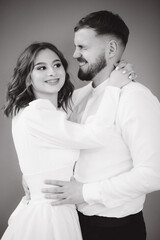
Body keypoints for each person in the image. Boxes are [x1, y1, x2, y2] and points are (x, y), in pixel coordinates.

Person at [41, 10, 160, 240]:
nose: (75, 54)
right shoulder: (78, 97)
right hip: (74, 222)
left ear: (112, 49)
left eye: (83, 47)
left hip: (116, 230)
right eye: (76, 47)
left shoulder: (135, 98)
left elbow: (154, 173)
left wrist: (85, 192)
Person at [2, 41, 132, 240]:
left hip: (53, 209)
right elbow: (95, 135)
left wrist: (105, 78)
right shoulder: (38, 114)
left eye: (56, 65)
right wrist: (113, 87)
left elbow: (76, 98)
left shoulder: (38, 110)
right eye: (41, 68)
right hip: (49, 216)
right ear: (28, 78)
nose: (52, 72)